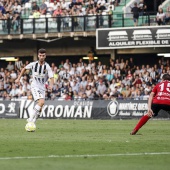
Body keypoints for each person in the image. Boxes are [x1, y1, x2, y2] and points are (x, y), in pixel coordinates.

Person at [15, 48, 54, 124]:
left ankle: (34, 121)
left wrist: (51, 85)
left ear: (45, 56)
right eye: (40, 55)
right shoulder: (33, 64)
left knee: (41, 107)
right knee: (41, 102)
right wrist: (18, 78)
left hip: (42, 87)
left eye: (43, 55)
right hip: (35, 86)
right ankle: (30, 118)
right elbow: (24, 69)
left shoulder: (47, 66)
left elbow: (51, 77)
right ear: (38, 56)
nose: (41, 57)